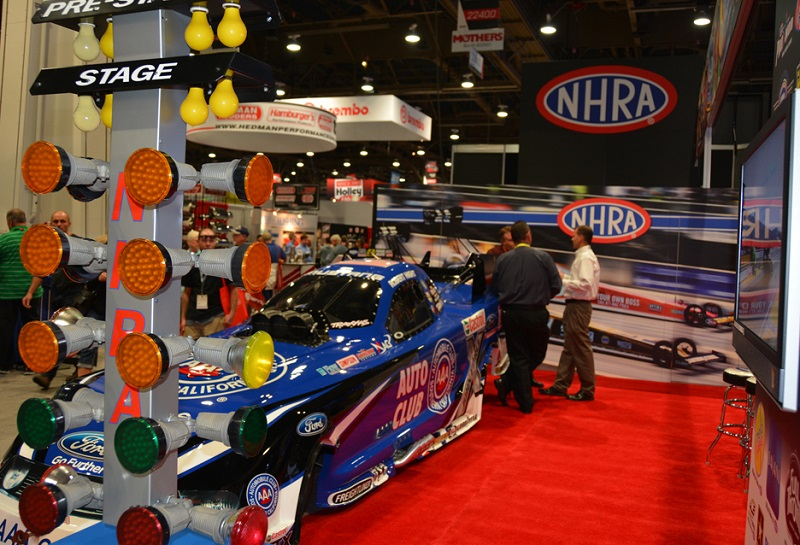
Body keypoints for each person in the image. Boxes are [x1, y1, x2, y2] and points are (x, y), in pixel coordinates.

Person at [491, 220, 562, 414]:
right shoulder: (543, 257)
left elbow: (495, 287)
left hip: (512, 313)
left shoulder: (503, 260)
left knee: (520, 357)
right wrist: (543, 296)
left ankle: (507, 382)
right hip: (535, 312)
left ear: (513, 238)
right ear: (528, 235)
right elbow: (556, 285)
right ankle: (525, 401)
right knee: (533, 354)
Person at [540, 225, 600, 401]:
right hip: (576, 306)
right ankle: (561, 386)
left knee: (580, 348)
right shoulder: (583, 256)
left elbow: (586, 284)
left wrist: (564, 279)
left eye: (574, 235)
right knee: (570, 347)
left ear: (581, 237)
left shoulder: (585, 257)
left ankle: (587, 389)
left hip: (579, 306)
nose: (571, 238)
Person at [0, 209, 44, 374]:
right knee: (31, 329)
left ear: (10, 222)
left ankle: (4, 365)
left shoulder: (3, 240)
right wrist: (30, 292)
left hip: (6, 293)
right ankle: (30, 365)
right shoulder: (35, 238)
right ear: (25, 220)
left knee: (5, 329)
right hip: (32, 292)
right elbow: (42, 268)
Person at [181, 228, 238, 339]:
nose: (207, 243)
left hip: (215, 317)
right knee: (188, 349)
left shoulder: (223, 264)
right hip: (192, 318)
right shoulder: (192, 264)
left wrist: (232, 313)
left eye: (211, 240)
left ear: (215, 242)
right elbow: (186, 293)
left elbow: (234, 289)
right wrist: (183, 318)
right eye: (204, 240)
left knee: (213, 348)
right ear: (198, 241)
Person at [263, 232, 285, 300]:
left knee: (265, 293)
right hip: (275, 272)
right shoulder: (278, 247)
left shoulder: (263, 247)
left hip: (265, 271)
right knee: (271, 291)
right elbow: (284, 256)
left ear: (263, 239)